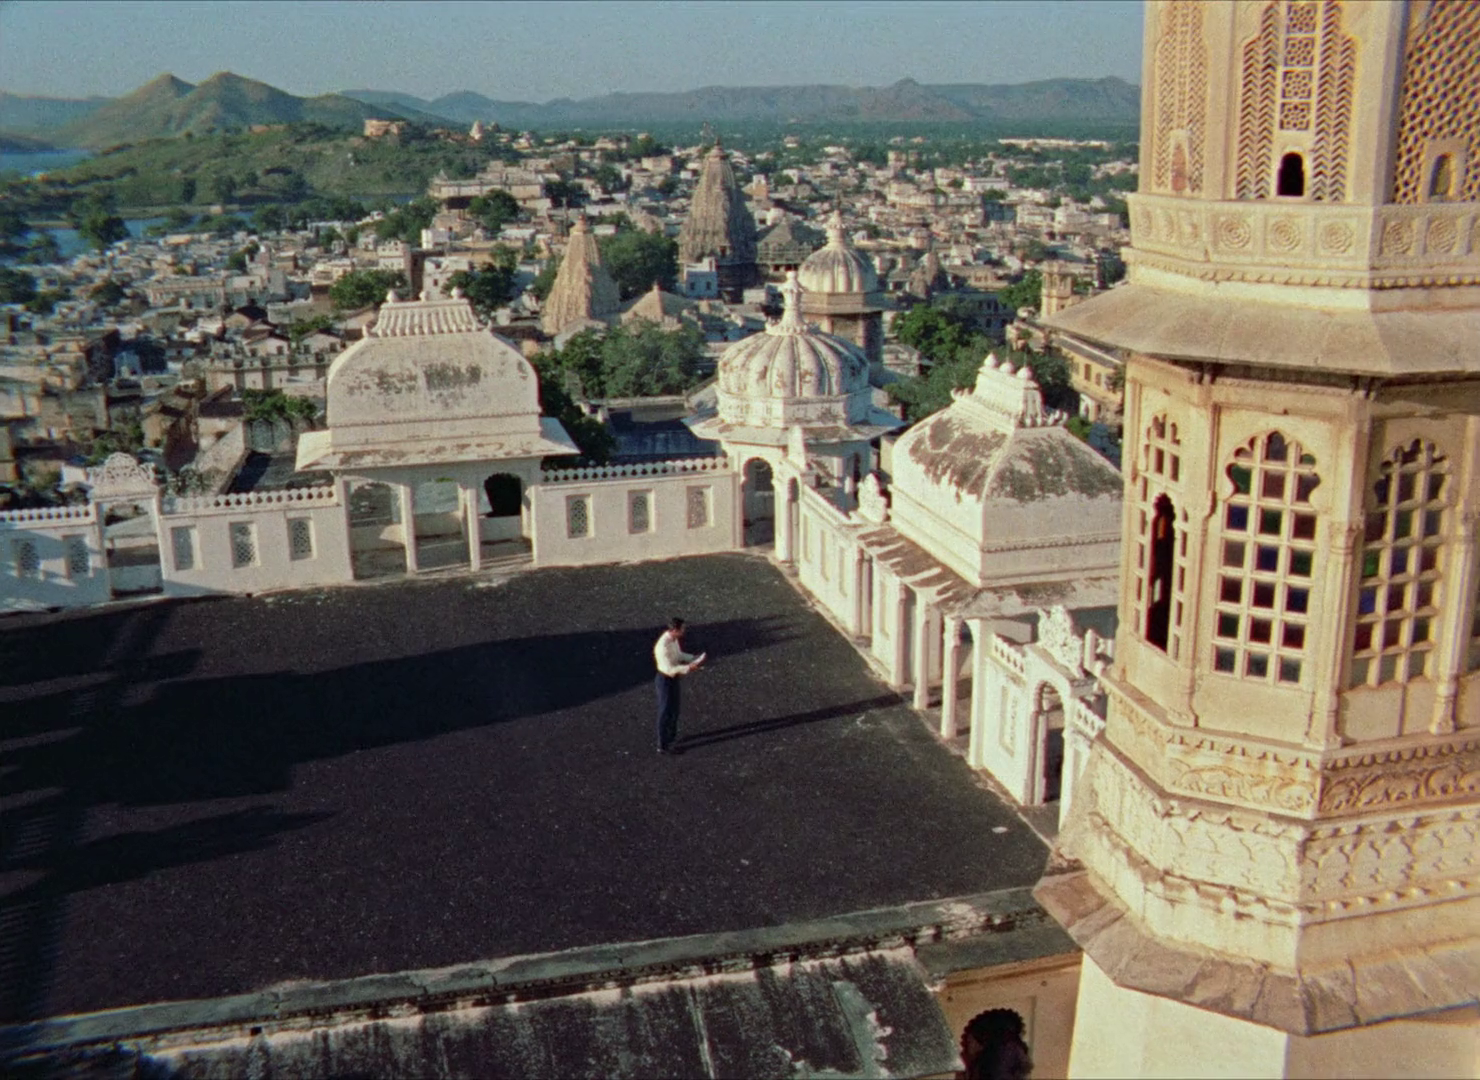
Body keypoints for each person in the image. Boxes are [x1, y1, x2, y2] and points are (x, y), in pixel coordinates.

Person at [653, 617, 705, 754]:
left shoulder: (673, 639)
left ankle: (671, 738)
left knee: (674, 709)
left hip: (673, 678)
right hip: (665, 679)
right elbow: (668, 669)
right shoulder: (662, 646)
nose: (684, 631)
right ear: (675, 630)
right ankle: (662, 745)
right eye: (682, 629)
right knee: (665, 711)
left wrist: (692, 658)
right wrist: (688, 667)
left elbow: (679, 655)